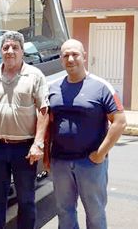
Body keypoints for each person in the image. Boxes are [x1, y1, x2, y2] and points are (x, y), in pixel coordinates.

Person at [47, 39, 127, 229]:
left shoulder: (101, 87)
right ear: (61, 59)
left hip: (90, 163)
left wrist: (100, 154)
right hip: (61, 162)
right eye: (66, 55)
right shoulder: (53, 88)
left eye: (75, 54)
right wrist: (46, 156)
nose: (70, 59)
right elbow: (47, 124)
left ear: (84, 56)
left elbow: (120, 122)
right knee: (64, 212)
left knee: (95, 213)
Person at [0, 30, 48, 229]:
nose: (10, 51)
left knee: (26, 200)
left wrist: (38, 143)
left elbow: (43, 111)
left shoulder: (35, 76)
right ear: (0, 51)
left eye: (15, 47)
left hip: (24, 149)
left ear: (22, 51)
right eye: (6, 47)